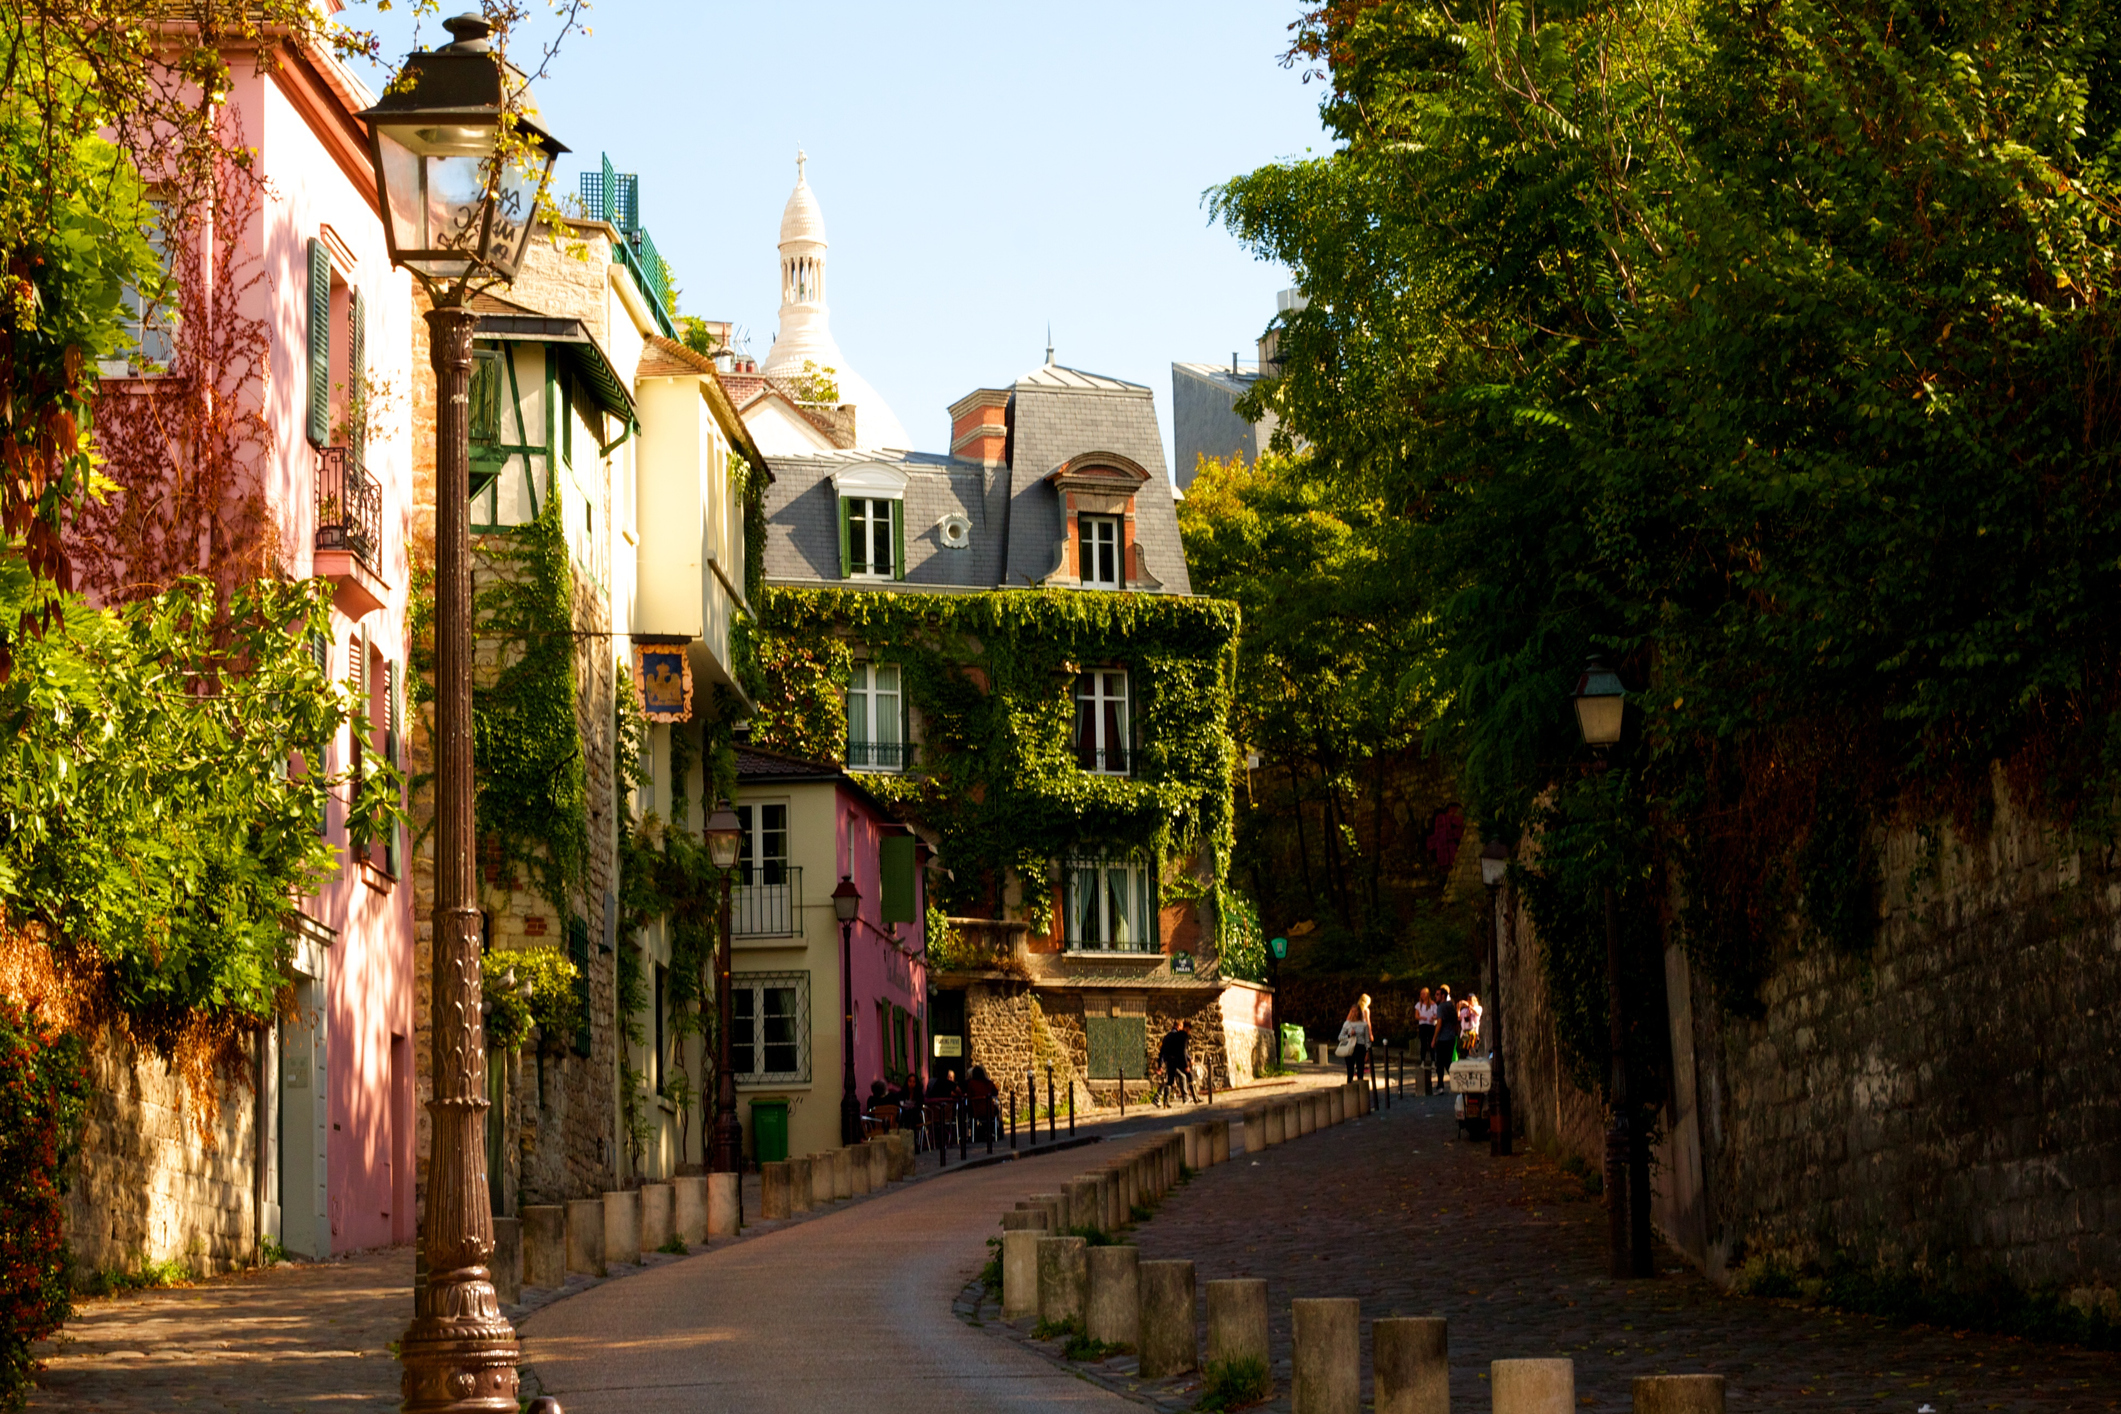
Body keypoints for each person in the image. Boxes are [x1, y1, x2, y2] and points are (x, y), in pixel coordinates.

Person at [1337, 994, 1373, 1082]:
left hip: (1360, 1047)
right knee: (1350, 1071)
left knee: (1360, 1071)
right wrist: (1349, 1035)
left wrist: (1368, 1051)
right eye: (1352, 1011)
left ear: (1359, 1012)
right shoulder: (1347, 1024)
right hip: (1349, 1047)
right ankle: (1350, 1089)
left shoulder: (1363, 1025)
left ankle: (1360, 1090)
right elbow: (1340, 1037)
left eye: (1356, 1011)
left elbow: (1367, 1040)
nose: (1354, 1013)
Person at [1157, 1020, 1193, 1102]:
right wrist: (1187, 1060)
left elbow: (1162, 1051)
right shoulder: (1177, 1036)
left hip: (1169, 1061)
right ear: (1178, 1026)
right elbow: (1181, 1050)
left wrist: (1160, 1064)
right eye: (1181, 1026)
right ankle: (1186, 1098)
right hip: (1175, 1061)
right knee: (1180, 1077)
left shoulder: (1168, 1036)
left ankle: (1165, 1101)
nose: (1182, 1029)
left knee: (1170, 1081)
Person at [1432, 985, 1460, 1085]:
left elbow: (1439, 1024)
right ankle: (1457, 1082)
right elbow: (1456, 1020)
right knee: (1448, 1062)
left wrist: (1434, 1038)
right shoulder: (1451, 1005)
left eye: (1437, 994)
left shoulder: (1441, 1007)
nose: (1435, 996)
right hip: (1451, 1037)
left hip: (1443, 1038)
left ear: (1443, 996)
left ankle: (1440, 1085)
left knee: (1440, 1062)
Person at [1414, 986, 1439, 1081]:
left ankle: (1433, 1061)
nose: (1422, 995)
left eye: (1423, 993)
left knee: (1432, 1043)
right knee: (1423, 1043)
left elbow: (1437, 1015)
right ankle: (1423, 1061)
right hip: (1423, 1025)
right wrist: (1421, 1018)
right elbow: (1416, 1016)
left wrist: (1433, 1017)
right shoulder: (1418, 1004)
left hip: (1431, 1025)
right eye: (1421, 994)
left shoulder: (1433, 1005)